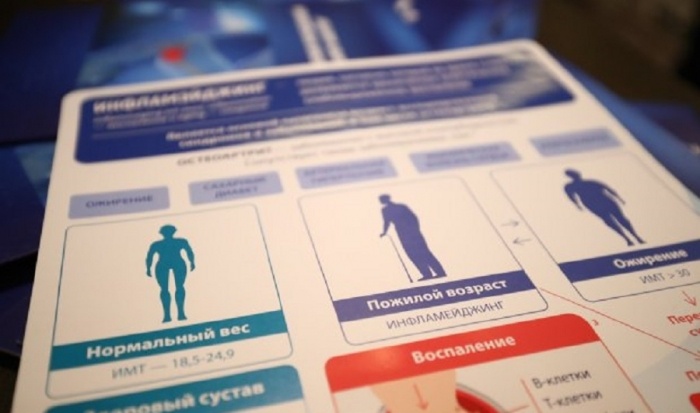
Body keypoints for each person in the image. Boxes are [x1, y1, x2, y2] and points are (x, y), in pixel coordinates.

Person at [564, 169, 645, 246]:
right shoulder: (571, 186)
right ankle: (627, 238)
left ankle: (635, 236)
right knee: (610, 220)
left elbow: (608, 189)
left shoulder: (591, 182)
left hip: (605, 201)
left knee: (619, 218)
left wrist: (619, 198)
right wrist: (577, 205)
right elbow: (571, 196)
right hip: (594, 204)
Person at [379, 194, 446, 281]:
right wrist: (384, 232)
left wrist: (415, 229)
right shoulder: (386, 210)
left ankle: (439, 272)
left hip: (411, 232)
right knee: (413, 254)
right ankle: (427, 274)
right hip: (403, 233)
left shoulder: (400, 207)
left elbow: (413, 217)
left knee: (423, 252)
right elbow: (387, 222)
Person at [146, 225, 196, 322]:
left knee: (178, 287)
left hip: (176, 263)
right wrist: (148, 268)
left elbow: (189, 252)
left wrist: (192, 262)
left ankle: (180, 313)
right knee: (166, 289)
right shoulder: (158, 244)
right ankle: (168, 315)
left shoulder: (180, 241)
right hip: (165, 264)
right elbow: (149, 257)